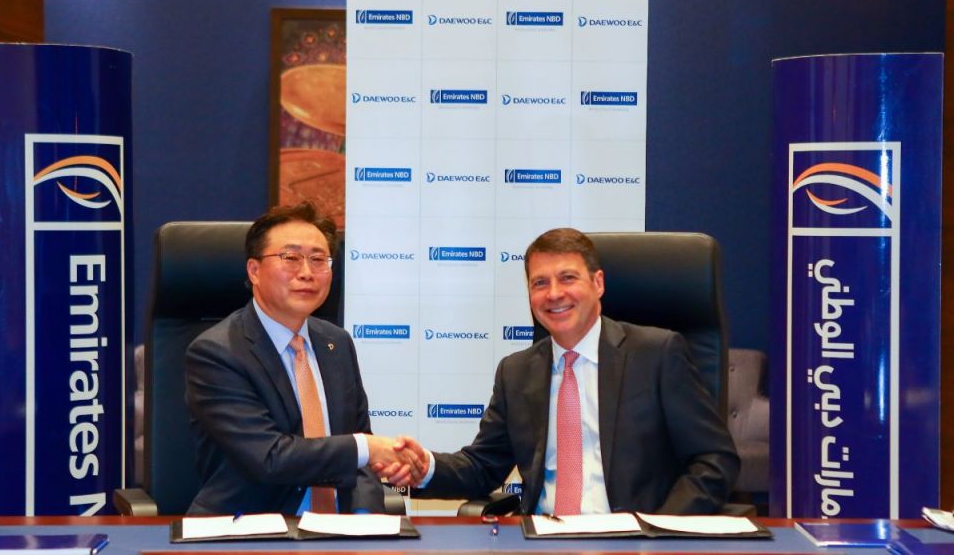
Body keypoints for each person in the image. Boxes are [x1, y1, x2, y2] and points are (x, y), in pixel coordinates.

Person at [378, 228, 739, 515]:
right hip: (540, 539)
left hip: (632, 541)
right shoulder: (516, 372)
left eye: (567, 278)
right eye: (540, 283)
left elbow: (714, 460)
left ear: (598, 283)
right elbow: (482, 467)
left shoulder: (656, 354)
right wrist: (424, 467)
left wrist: (658, 532)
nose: (553, 294)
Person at [185, 202, 420, 515]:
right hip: (248, 528)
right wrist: (366, 448)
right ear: (254, 271)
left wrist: (364, 517)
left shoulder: (337, 343)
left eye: (318, 260)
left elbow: (360, 456)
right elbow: (269, 457)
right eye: (291, 258)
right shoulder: (217, 352)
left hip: (338, 530)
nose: (307, 273)